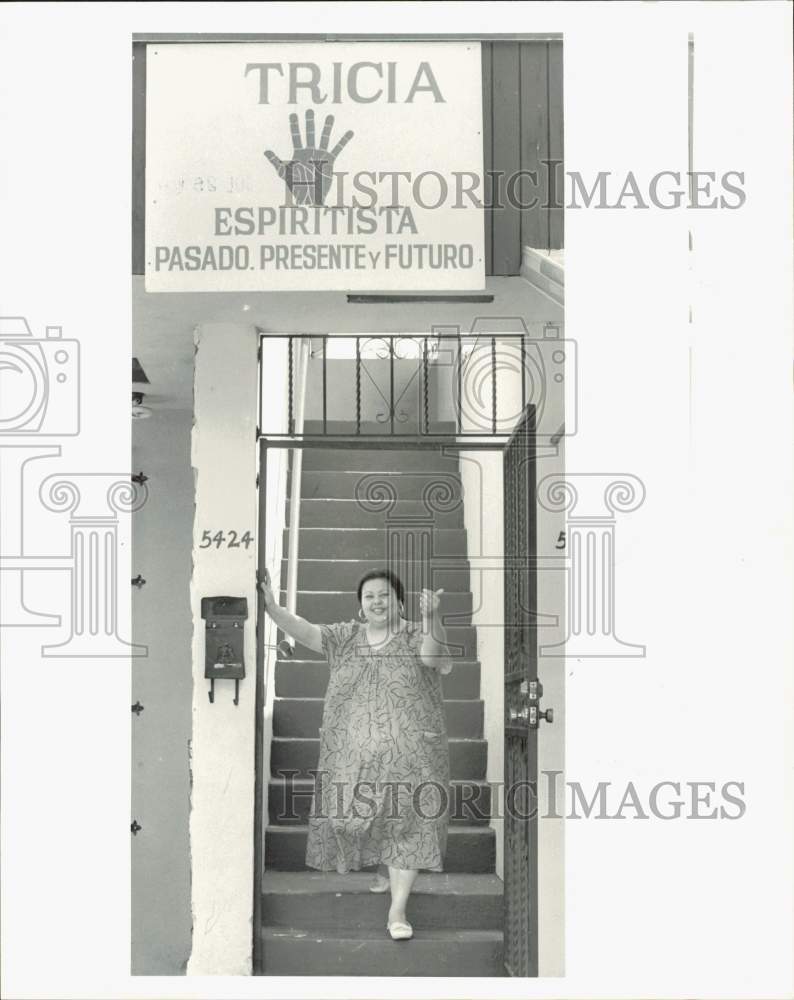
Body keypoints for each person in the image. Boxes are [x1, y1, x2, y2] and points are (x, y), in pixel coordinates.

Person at [259, 566, 452, 941]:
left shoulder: (415, 633)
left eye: (384, 595)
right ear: (361, 606)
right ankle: (384, 865)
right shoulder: (345, 637)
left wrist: (432, 618)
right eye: (369, 597)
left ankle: (398, 909)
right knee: (348, 817)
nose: (377, 602)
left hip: (412, 755)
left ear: (399, 600)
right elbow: (305, 630)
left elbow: (433, 657)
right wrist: (272, 609)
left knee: (408, 824)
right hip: (353, 754)